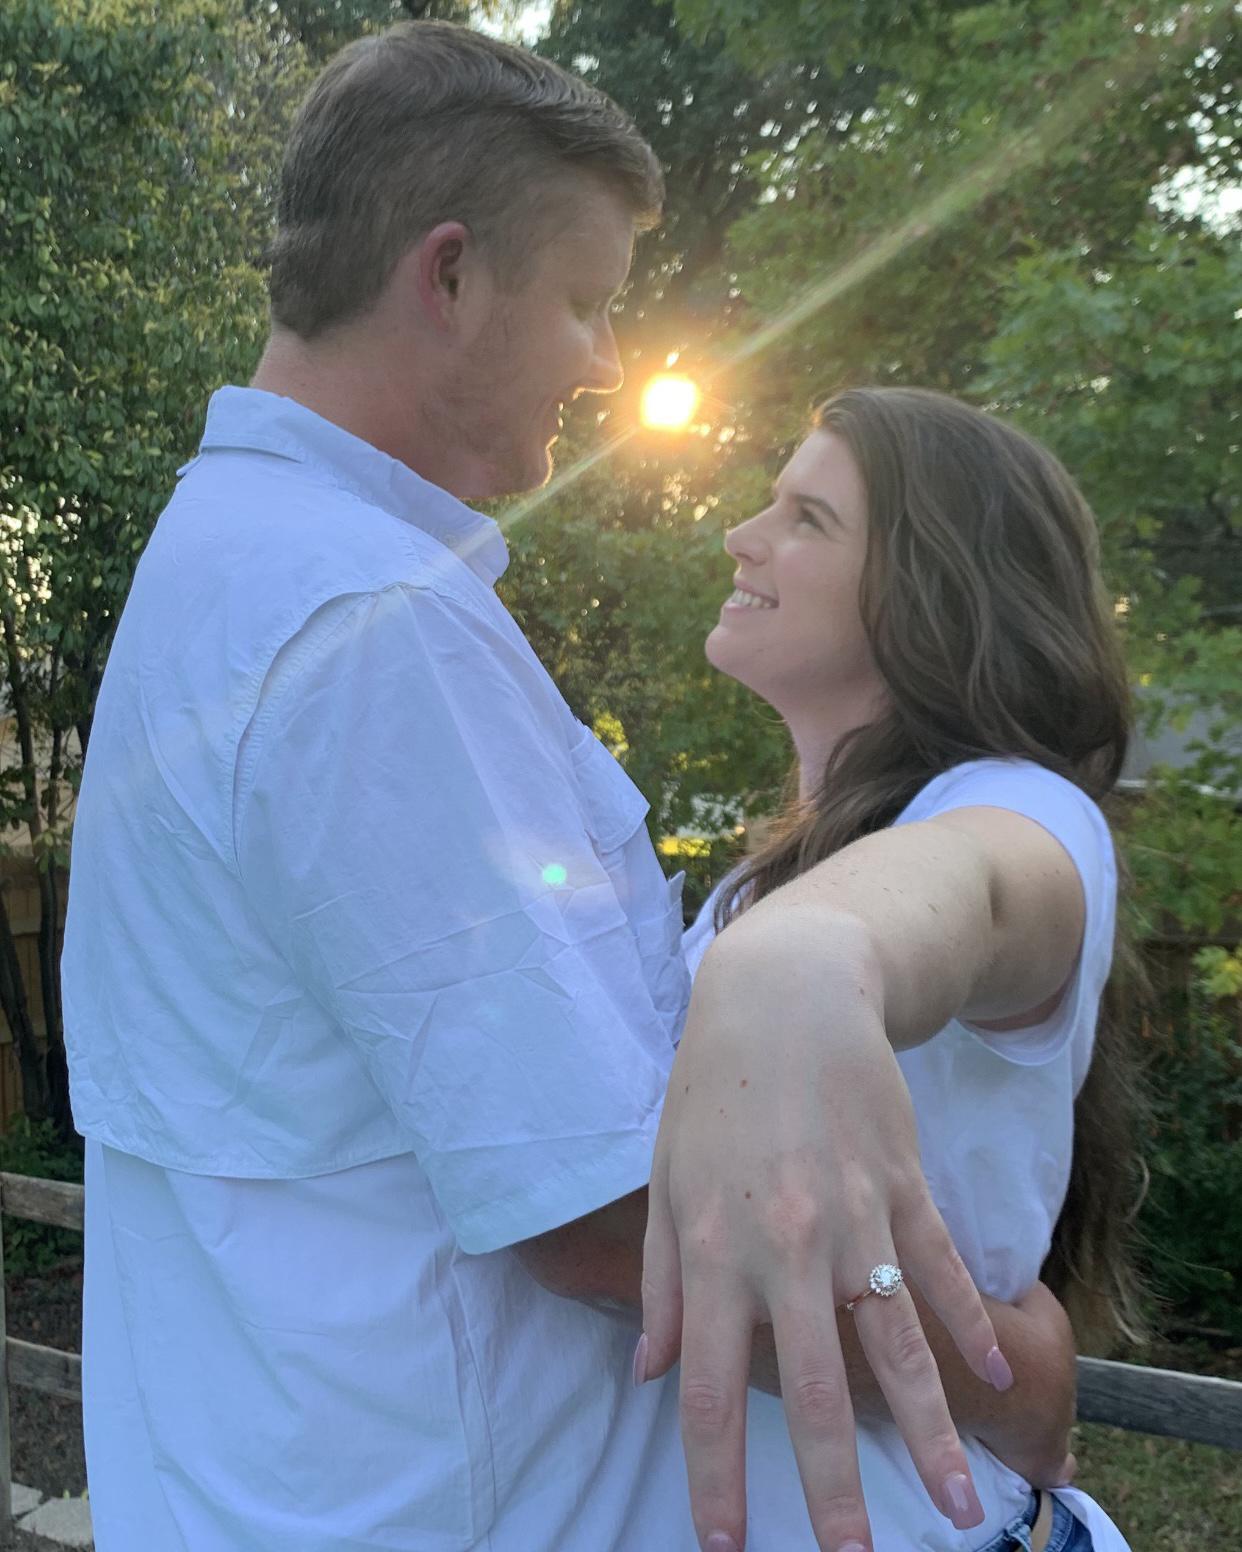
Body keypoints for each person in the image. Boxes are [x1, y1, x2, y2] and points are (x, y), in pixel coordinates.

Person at [63, 21, 1075, 1552]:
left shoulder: (228, 556)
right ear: (449, 275)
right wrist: (1005, 1379)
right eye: (588, 305)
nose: (605, 364)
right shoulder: (364, 623)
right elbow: (599, 1214)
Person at [663, 387, 1141, 1551]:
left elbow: (971, 883)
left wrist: (800, 960)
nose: (740, 536)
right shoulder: (768, 880)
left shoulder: (1023, 807)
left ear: (932, 595)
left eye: (808, 518)